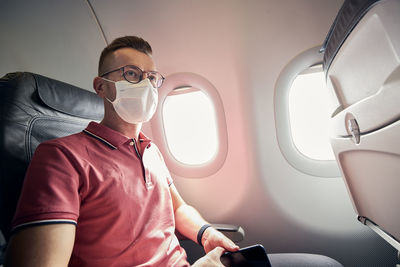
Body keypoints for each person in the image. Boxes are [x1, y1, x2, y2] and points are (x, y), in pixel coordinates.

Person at [4, 36, 239, 267]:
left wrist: (206, 233)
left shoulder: (151, 150)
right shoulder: (61, 156)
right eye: (132, 74)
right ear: (101, 87)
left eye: (152, 77)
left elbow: (178, 207)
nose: (146, 85)